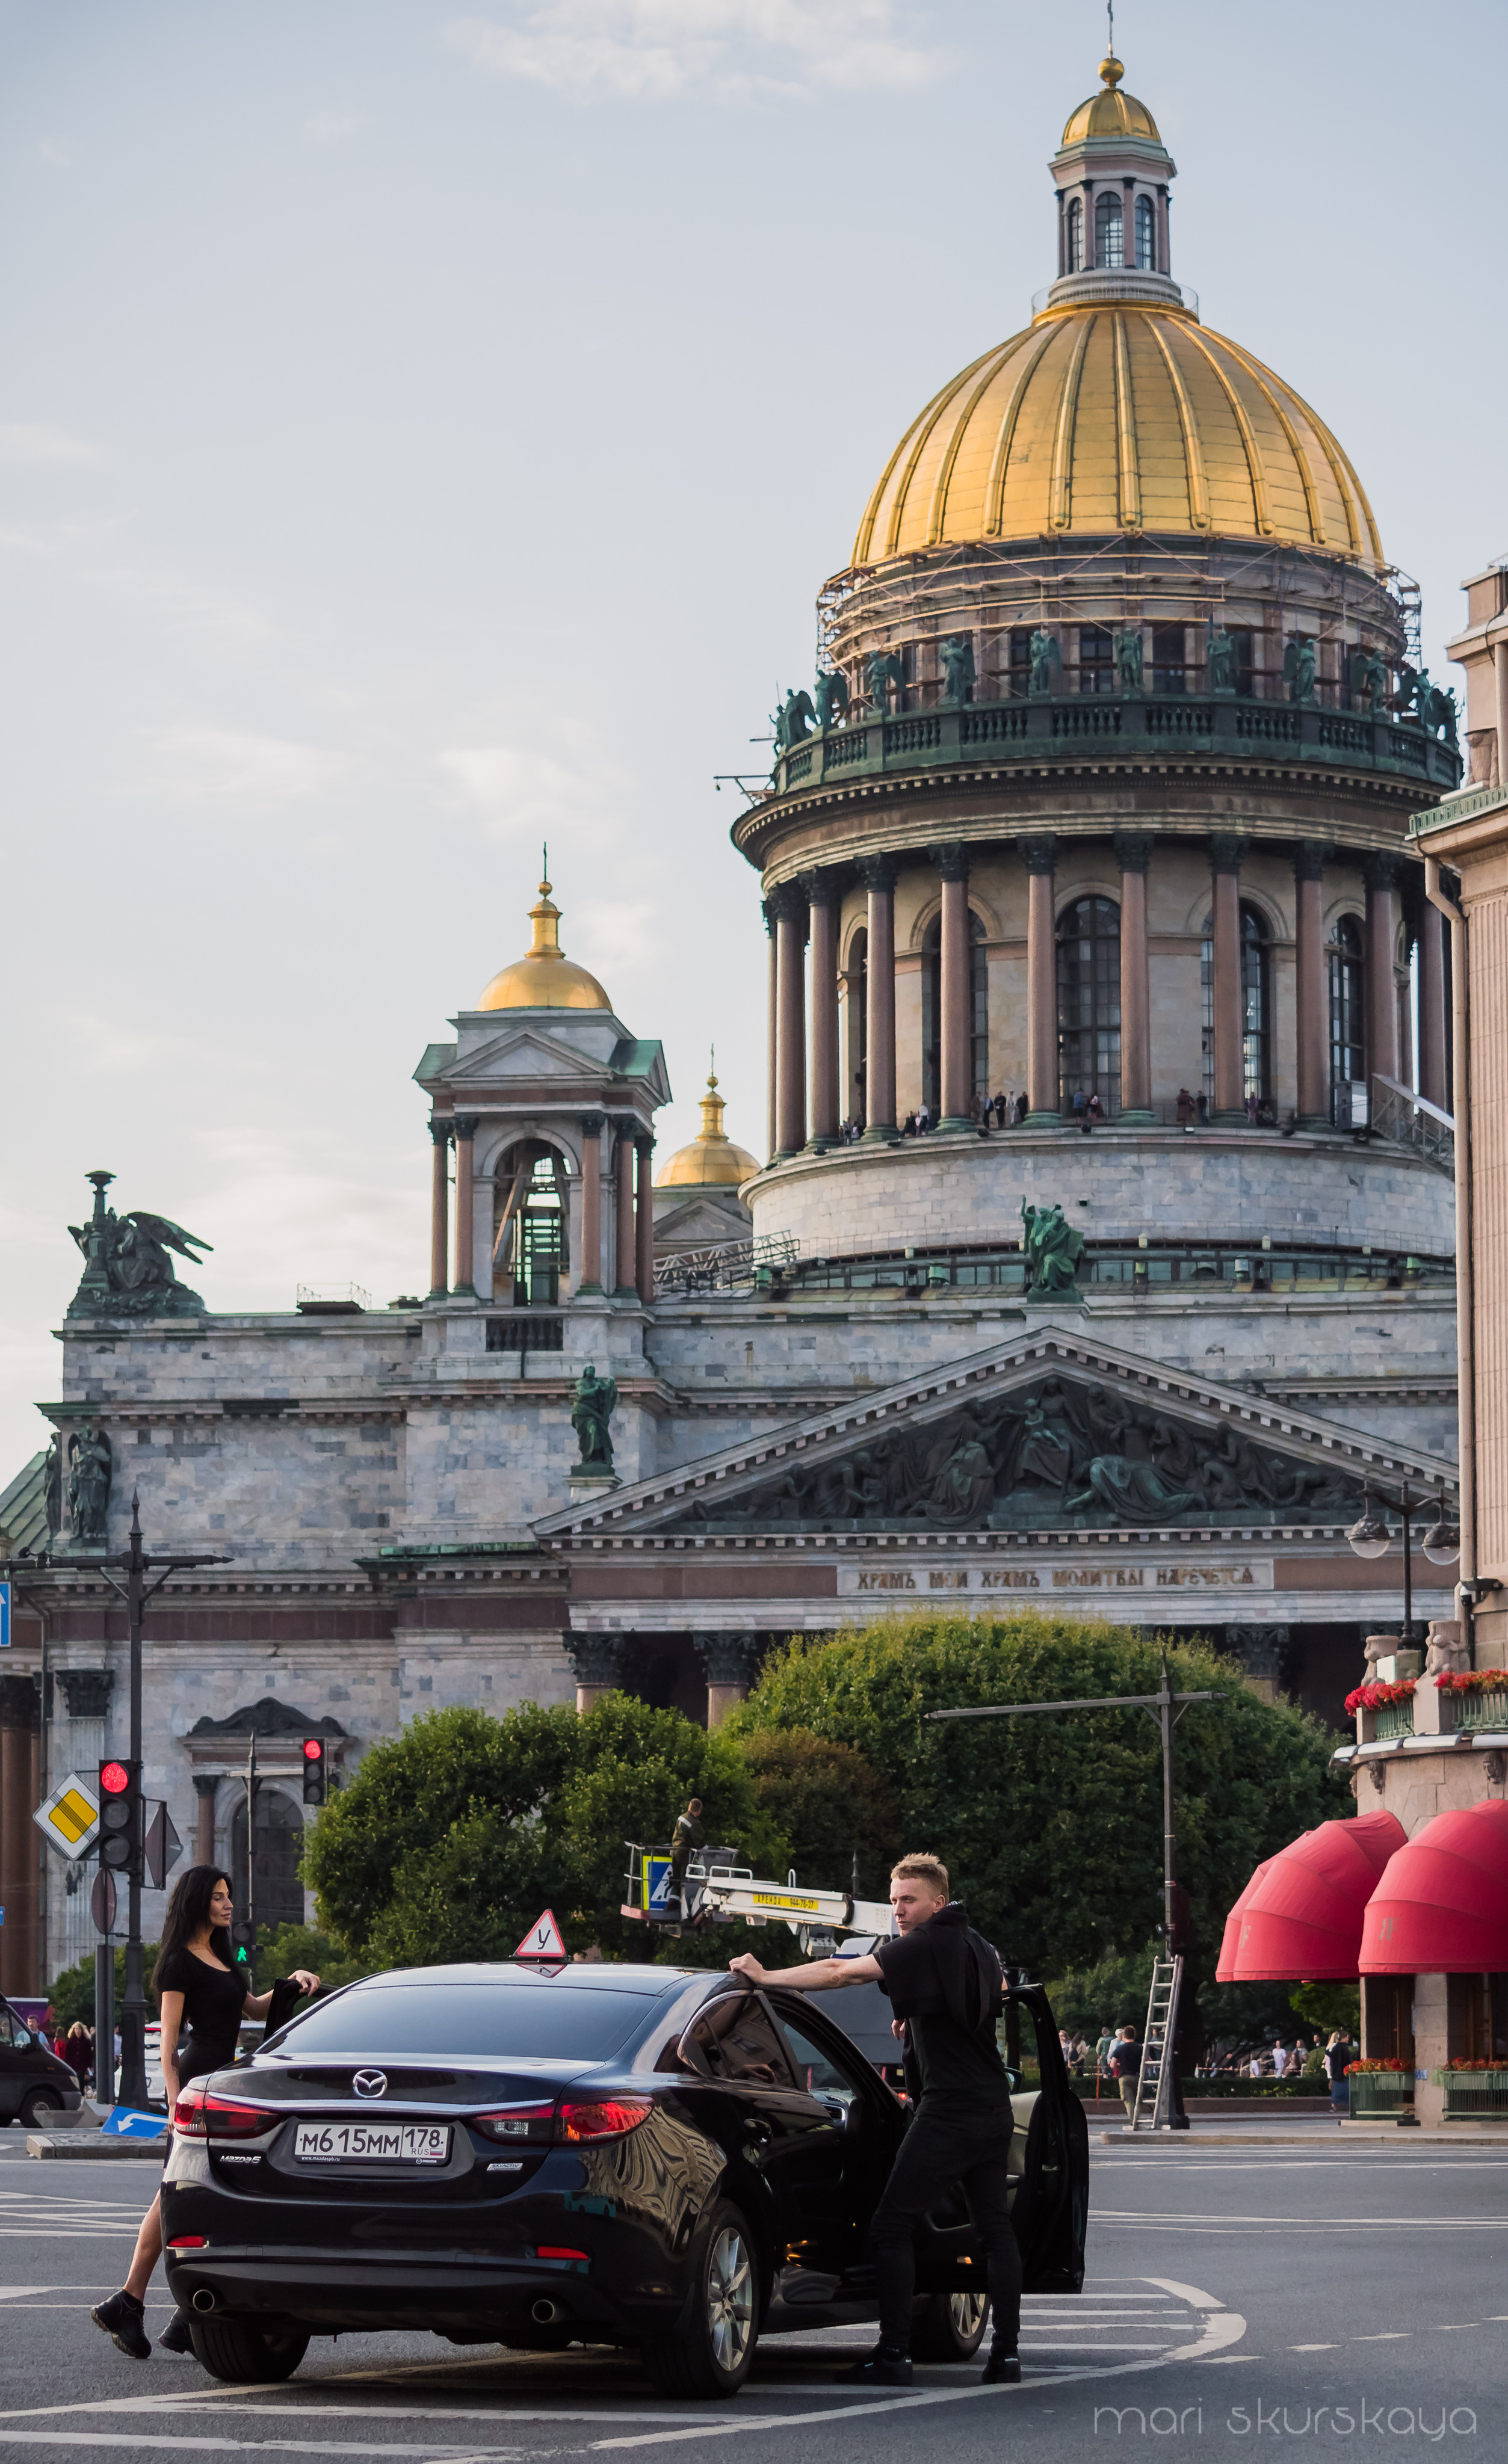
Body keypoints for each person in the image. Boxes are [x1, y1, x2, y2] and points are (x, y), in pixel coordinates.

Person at [728, 1852, 1020, 2391]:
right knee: (995, 2231)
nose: (899, 1911)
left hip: (949, 2112)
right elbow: (993, 1995)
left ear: (938, 1901)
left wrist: (766, 1977)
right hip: (993, 2108)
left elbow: (840, 1971)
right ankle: (1007, 2355)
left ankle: (893, 2353)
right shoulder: (979, 1945)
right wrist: (920, 2010)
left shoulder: (926, 1942)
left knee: (890, 2226)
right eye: (893, 1901)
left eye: (909, 1900)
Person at [90, 1865, 320, 2363]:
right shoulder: (178, 1962)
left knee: (202, 2191)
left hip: (227, 2085)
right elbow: (169, 2044)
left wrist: (293, 1983)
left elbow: (254, 2009)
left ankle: (156, 2311)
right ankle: (137, 2303)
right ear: (198, 1901)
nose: (228, 1904)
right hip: (199, 2084)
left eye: (228, 1896)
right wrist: (177, 2106)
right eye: (218, 1897)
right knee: (177, 2194)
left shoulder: (222, 1957)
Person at [669, 1796, 704, 1915]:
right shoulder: (693, 1822)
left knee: (677, 1878)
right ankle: (683, 1908)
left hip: (675, 1850)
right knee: (684, 1879)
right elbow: (699, 1842)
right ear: (699, 1810)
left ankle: (672, 1903)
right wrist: (708, 1851)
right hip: (684, 1853)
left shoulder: (682, 1817)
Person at [1109, 2024, 1141, 2121]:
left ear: (1124, 2035)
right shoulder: (1140, 2048)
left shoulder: (1121, 2048)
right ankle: (1137, 2118)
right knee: (1137, 2100)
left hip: (1124, 2077)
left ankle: (1133, 2122)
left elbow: (1112, 2065)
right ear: (1134, 2035)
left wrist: (1120, 2065)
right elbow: (1149, 2061)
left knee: (1128, 2101)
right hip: (1138, 2077)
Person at [1323, 2029, 1352, 2112]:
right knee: (1346, 2090)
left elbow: (1331, 2057)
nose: (1348, 2039)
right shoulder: (1344, 2048)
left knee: (1336, 2091)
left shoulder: (1336, 2048)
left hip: (1336, 2073)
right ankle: (1350, 2107)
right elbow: (1346, 2061)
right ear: (1343, 2038)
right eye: (1347, 2038)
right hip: (1344, 2073)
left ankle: (1333, 2106)